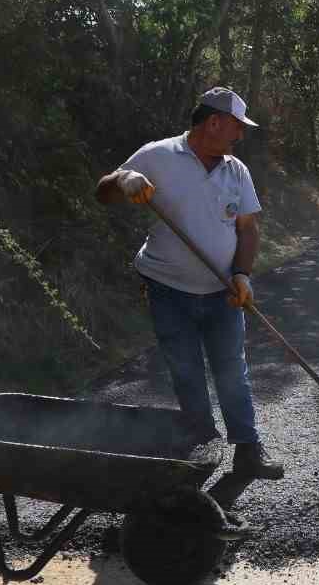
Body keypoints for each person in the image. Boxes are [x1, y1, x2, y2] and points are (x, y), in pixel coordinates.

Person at [96, 88, 282, 482]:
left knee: (232, 368)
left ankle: (248, 451)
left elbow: (248, 230)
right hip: (168, 290)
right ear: (214, 122)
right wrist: (124, 179)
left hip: (221, 294)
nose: (240, 136)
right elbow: (104, 192)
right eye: (236, 126)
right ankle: (202, 451)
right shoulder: (157, 156)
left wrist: (242, 274)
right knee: (186, 372)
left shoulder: (236, 171)